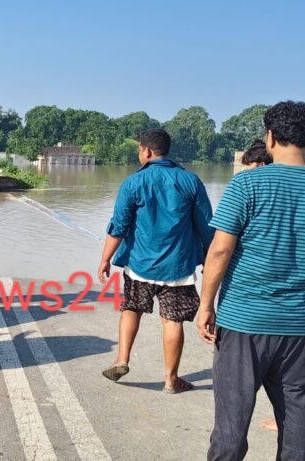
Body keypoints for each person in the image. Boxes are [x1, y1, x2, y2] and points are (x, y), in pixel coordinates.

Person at [196, 101, 305, 460]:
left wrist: (206, 305)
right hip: (299, 327)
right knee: (298, 422)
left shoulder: (245, 184)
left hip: (241, 321)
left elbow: (219, 252)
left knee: (231, 427)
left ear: (269, 138)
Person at [98, 128, 213, 393]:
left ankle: (122, 359)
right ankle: (171, 381)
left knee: (131, 309)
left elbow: (118, 226)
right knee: (172, 322)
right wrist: (209, 259)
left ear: (146, 151)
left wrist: (105, 259)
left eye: (139, 149)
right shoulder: (190, 181)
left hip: (139, 265)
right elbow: (206, 227)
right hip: (178, 268)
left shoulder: (132, 183)